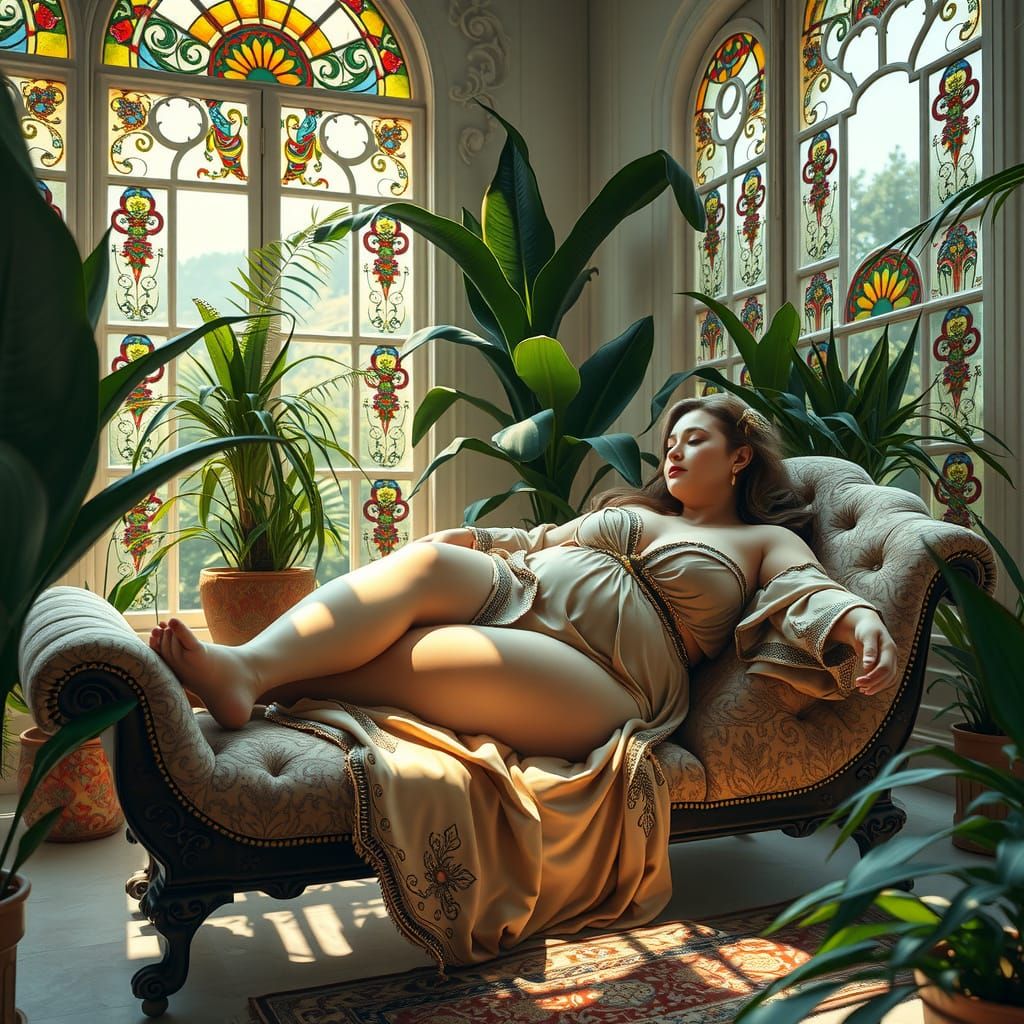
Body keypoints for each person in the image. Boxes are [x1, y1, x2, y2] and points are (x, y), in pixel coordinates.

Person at [148, 393, 899, 969]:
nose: (672, 453)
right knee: (430, 564)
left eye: (693, 439)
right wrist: (470, 538)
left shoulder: (759, 539)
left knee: (441, 650)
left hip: (610, 673)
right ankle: (244, 667)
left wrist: (859, 623)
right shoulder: (635, 508)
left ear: (739, 458)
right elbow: (541, 538)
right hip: (524, 591)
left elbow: (808, 591)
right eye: (667, 443)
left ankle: (260, 683)